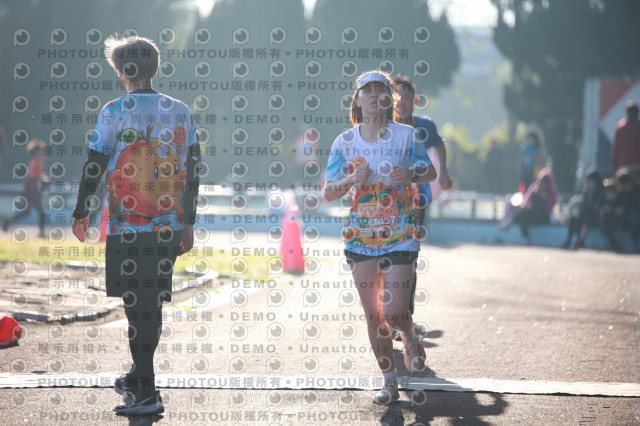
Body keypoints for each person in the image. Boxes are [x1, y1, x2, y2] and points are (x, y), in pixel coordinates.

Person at [71, 35, 201, 416]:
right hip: (168, 226)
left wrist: (81, 210)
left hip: (126, 229)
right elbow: (193, 170)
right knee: (152, 304)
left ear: (121, 71)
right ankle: (137, 377)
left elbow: (95, 163)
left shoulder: (114, 111)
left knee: (135, 307)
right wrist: (188, 222)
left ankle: (146, 392)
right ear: (154, 68)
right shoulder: (180, 111)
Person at [323, 70, 437, 405]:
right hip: (360, 237)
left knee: (396, 309)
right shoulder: (344, 142)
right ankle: (389, 383)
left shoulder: (406, 135)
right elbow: (329, 192)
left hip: (401, 233)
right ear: (357, 100)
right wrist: (350, 180)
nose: (374, 95)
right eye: (367, 90)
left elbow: (429, 171)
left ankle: (410, 334)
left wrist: (410, 173)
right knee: (374, 315)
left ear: (390, 99)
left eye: (380, 90)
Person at [390, 74, 451, 342]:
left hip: (417, 200)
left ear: (414, 101)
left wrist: (444, 172)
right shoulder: (384, 127)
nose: (401, 103)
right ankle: (390, 315)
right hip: (387, 201)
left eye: (406, 98)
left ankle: (405, 316)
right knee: (385, 257)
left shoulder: (424, 127)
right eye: (397, 98)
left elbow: (440, 145)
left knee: (408, 258)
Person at [500, 168, 558, 245]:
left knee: (524, 215)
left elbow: (552, 206)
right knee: (523, 216)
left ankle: (509, 222)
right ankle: (526, 238)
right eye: (542, 182)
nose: (543, 184)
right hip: (532, 214)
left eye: (545, 182)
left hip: (544, 216)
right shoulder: (535, 188)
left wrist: (545, 197)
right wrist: (526, 205)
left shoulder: (552, 192)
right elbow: (526, 200)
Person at [3, 139, 46, 238]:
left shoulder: (38, 162)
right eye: (41, 151)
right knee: (41, 213)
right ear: (36, 153)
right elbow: (32, 177)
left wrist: (43, 178)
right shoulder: (35, 163)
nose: (42, 154)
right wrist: (41, 178)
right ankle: (41, 233)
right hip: (32, 191)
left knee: (27, 212)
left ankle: (8, 221)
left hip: (33, 190)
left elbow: (37, 176)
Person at [562, 168, 604, 249]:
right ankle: (569, 240)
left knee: (587, 220)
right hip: (585, 214)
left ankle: (580, 241)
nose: (589, 183)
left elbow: (597, 208)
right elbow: (584, 205)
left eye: (590, 181)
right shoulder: (587, 191)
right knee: (573, 218)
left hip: (595, 217)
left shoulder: (602, 192)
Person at [600, 168, 640, 252]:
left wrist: (624, 211)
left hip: (633, 217)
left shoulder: (637, 191)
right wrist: (609, 208)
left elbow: (634, 208)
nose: (625, 187)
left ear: (631, 182)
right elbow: (614, 204)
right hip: (620, 218)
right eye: (623, 185)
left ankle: (634, 244)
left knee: (633, 217)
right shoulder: (620, 191)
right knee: (603, 216)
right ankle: (611, 242)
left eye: (626, 184)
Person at [610, 100, 640, 175]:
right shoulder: (638, 126)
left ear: (627, 112)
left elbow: (616, 149)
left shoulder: (621, 127)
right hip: (637, 165)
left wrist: (614, 167)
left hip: (622, 166)